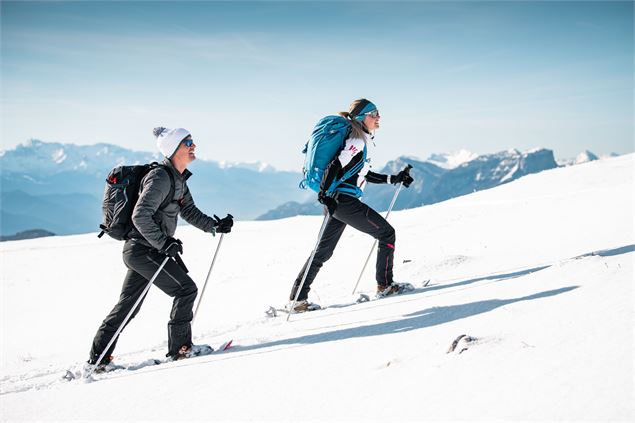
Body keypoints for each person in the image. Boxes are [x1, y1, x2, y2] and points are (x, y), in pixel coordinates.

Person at [88, 127, 234, 368]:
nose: (193, 145)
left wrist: (215, 226)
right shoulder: (160, 178)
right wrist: (164, 242)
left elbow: (189, 211)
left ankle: (98, 359)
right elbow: (140, 215)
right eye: (188, 142)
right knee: (185, 290)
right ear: (174, 149)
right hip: (144, 250)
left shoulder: (178, 179)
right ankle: (180, 349)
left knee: (128, 306)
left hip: (146, 251)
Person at [288, 99, 414, 312]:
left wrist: (394, 179)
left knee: (322, 252)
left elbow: (363, 173)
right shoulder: (357, 140)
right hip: (342, 201)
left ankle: (297, 300)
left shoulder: (357, 139)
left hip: (335, 201)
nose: (378, 117)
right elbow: (336, 164)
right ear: (361, 117)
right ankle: (385, 285)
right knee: (386, 234)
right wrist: (324, 193)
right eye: (373, 113)